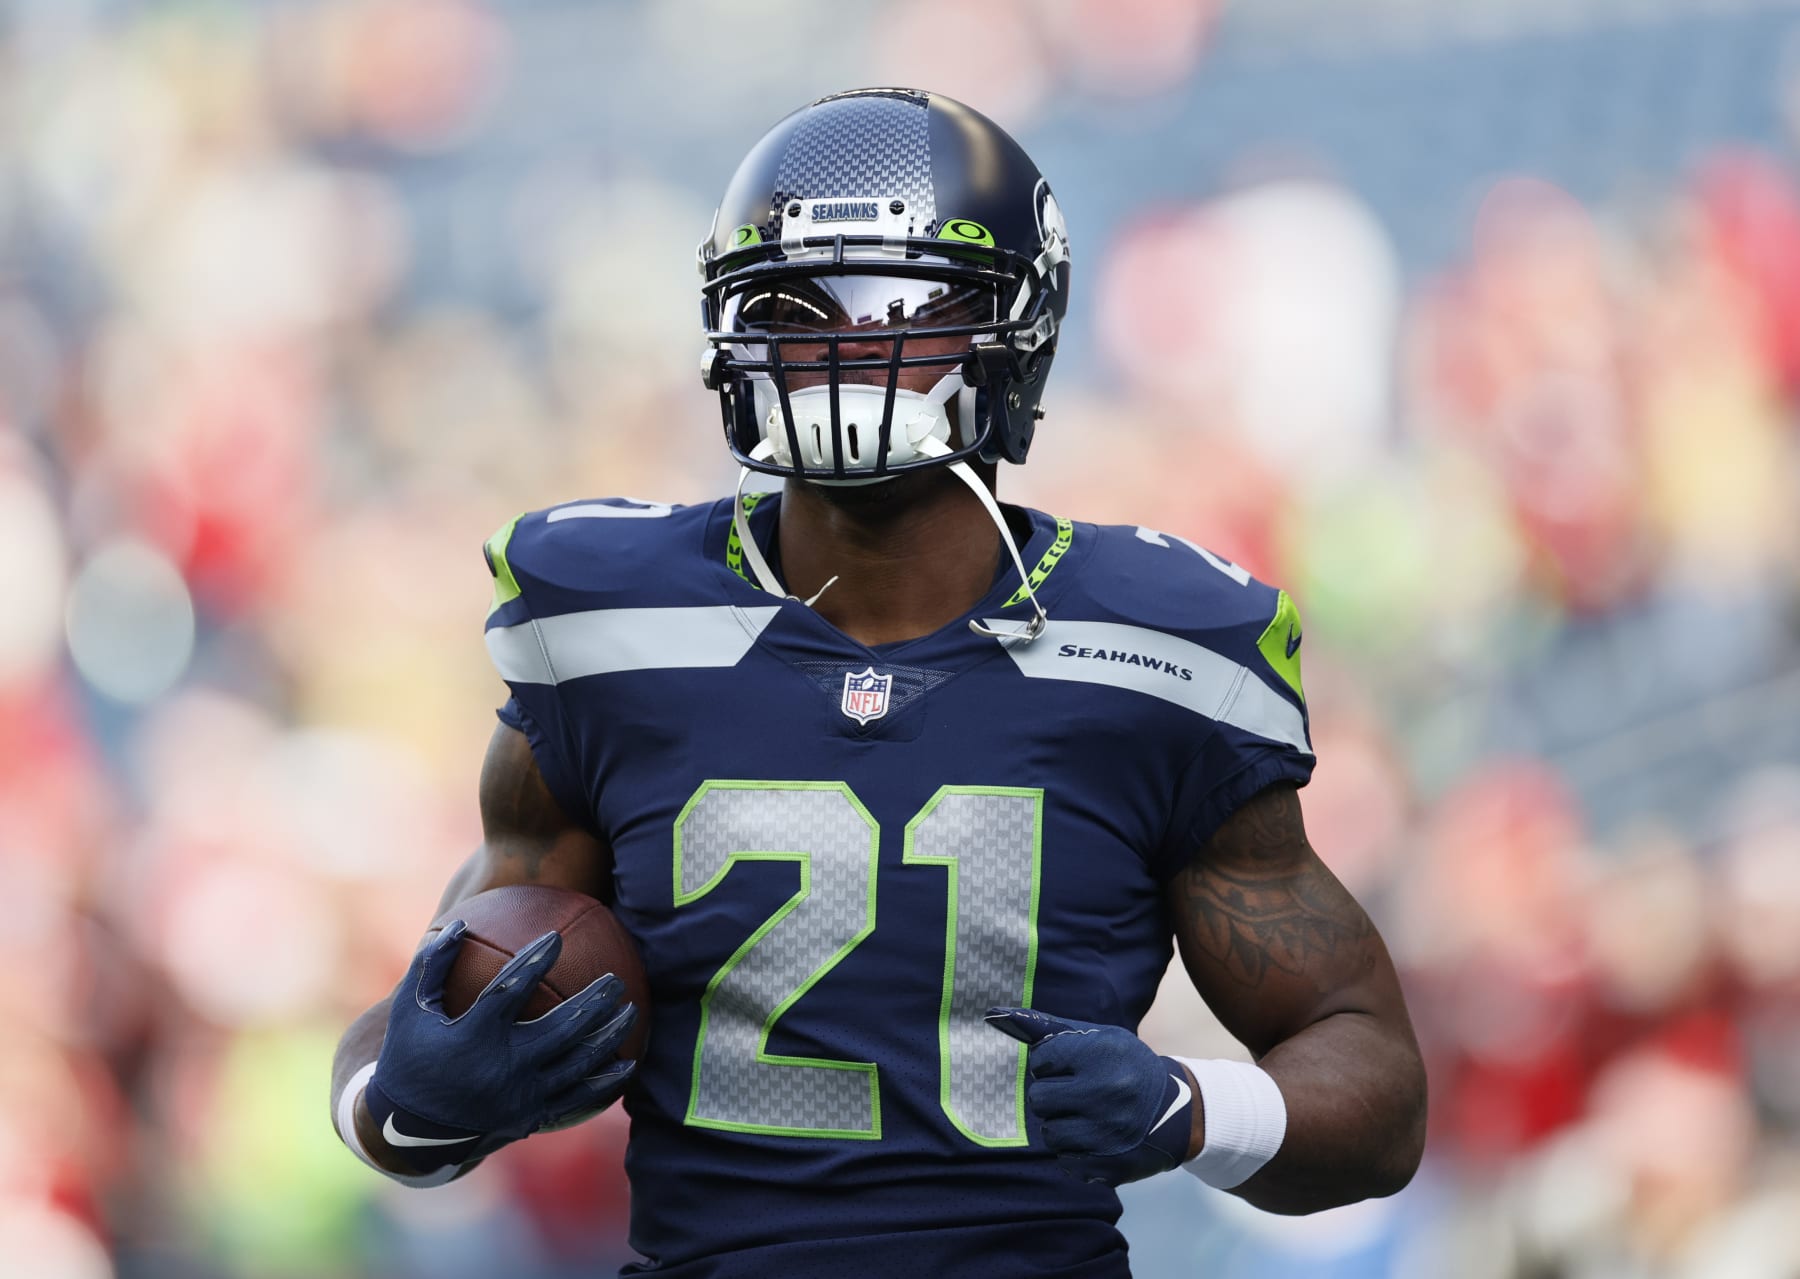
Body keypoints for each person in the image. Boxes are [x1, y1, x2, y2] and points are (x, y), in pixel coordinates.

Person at [329, 87, 1427, 1277]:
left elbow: (1372, 1079)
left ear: (1019, 326)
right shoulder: (610, 624)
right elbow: (421, 1018)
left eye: (905, 304)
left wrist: (1194, 1109)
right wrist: (405, 1103)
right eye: (796, 307)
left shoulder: (1162, 650)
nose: (848, 348)